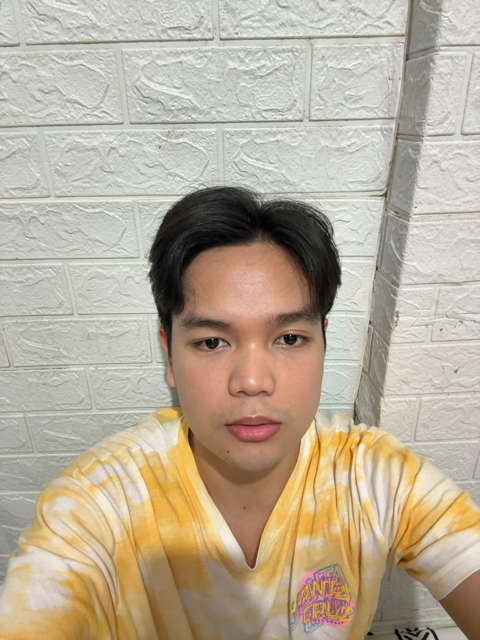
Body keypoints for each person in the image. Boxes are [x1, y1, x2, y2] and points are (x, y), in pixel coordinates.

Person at [0, 186, 479, 640]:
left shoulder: (374, 478)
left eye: (289, 338)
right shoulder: (99, 503)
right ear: (170, 356)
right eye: (212, 341)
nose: (252, 381)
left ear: (323, 343)